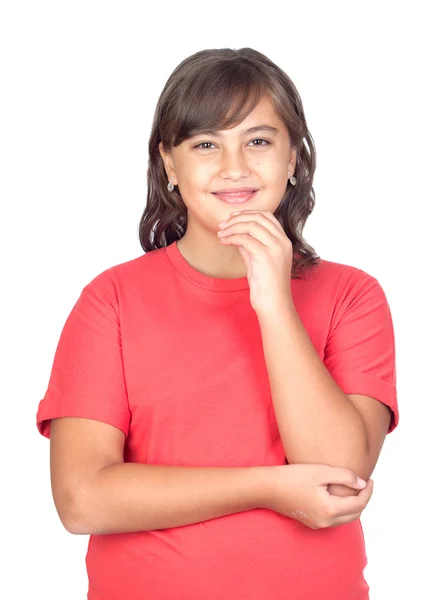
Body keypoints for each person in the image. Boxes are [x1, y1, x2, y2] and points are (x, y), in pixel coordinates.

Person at [36, 47, 399, 600]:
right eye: (206, 144)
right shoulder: (110, 300)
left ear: (293, 158)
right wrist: (267, 487)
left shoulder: (352, 295)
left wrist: (274, 302)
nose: (234, 167)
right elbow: (82, 499)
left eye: (258, 140)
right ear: (170, 164)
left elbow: (337, 471)